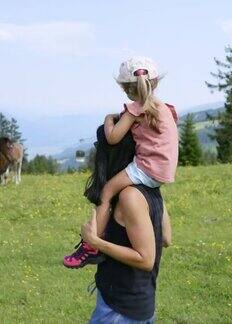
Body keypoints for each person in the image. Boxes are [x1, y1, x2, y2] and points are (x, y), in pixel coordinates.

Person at [63, 57, 178, 268]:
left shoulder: (135, 108)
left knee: (107, 192)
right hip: (164, 170)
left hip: (147, 168)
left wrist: (109, 119)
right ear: (155, 83)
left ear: (126, 89)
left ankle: (91, 245)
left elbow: (113, 137)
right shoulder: (165, 108)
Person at [80, 123, 172, 323]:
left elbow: (146, 259)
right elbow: (165, 237)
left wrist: (96, 243)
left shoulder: (129, 196)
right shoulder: (150, 189)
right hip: (139, 302)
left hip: (120, 310)